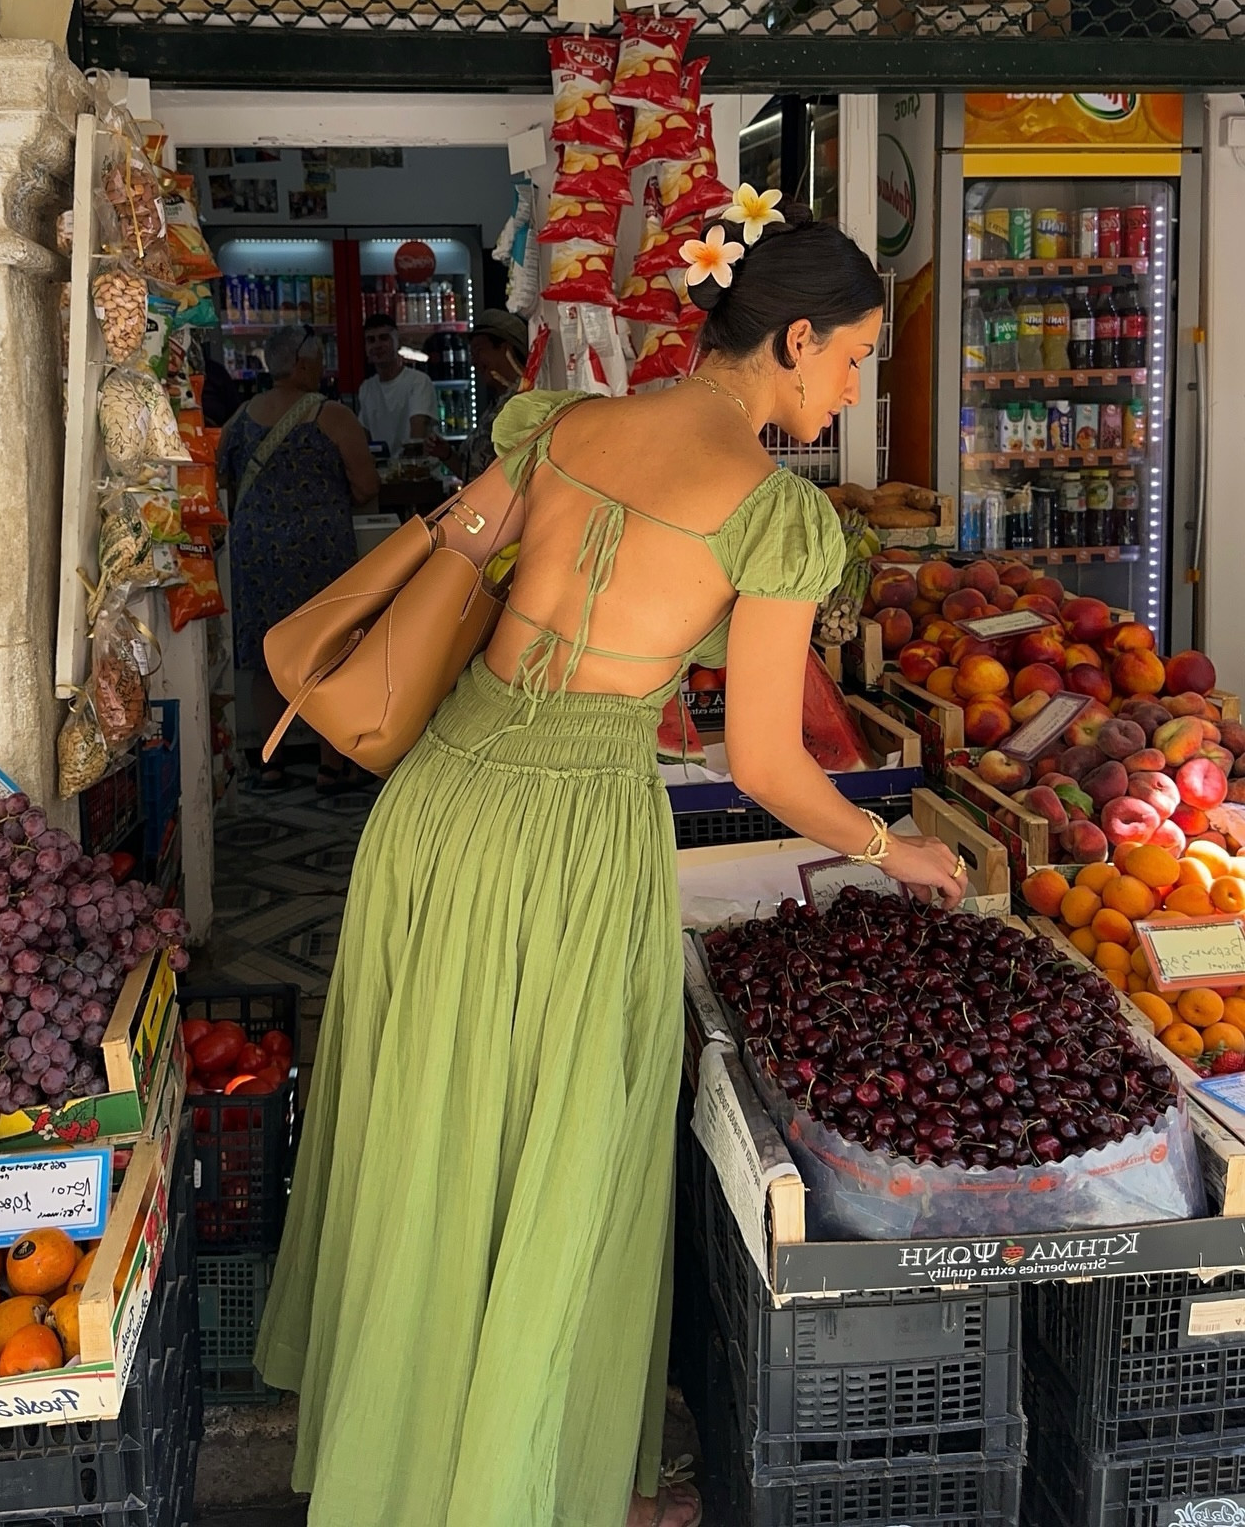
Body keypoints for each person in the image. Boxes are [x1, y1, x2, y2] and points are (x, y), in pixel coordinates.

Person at [254, 198, 966, 1526]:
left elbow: (489, 569)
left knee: (435, 1130)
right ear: (795, 339)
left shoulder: (566, 426)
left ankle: (405, 1453)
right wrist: (890, 845)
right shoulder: (775, 518)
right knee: (565, 1147)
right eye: (857, 356)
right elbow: (766, 764)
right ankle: (530, 1481)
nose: (856, 384)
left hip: (439, 804)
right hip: (571, 836)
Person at [217, 326, 379, 796]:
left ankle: (271, 764)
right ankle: (331, 768)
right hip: (318, 549)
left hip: (256, 551)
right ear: (305, 364)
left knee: (267, 657)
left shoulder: (240, 417)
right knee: (328, 651)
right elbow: (367, 487)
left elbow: (221, 477)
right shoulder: (331, 415)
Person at [426, 306, 528, 482]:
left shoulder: (526, 400)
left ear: (505, 349)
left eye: (479, 351)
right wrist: (447, 454)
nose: (474, 362)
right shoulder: (496, 404)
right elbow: (473, 474)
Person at [357, 313, 438, 454]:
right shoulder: (366, 388)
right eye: (371, 340)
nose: (377, 345)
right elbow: (363, 439)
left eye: (384, 338)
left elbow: (417, 438)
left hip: (418, 471)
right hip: (384, 472)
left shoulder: (418, 382)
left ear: (398, 341)